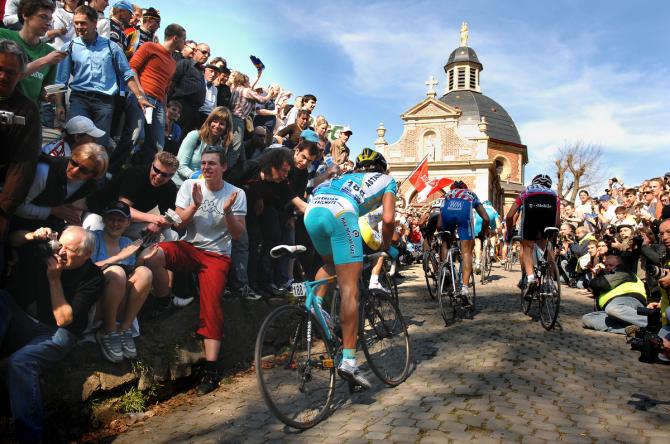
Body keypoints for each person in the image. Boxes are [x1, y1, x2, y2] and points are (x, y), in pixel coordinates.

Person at [144, 147, 246, 396]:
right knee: (152, 254)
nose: (206, 168)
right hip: (190, 247)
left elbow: (237, 234)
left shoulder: (236, 193)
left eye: (212, 163)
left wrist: (228, 211)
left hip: (217, 256)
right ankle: (164, 299)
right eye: (203, 163)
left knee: (211, 305)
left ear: (223, 167)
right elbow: (178, 223)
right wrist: (195, 206)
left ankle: (211, 369)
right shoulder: (190, 186)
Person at [304, 148, 396, 390]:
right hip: (341, 213)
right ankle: (349, 361)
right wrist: (386, 245)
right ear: (383, 169)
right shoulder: (388, 180)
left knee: (332, 264)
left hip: (313, 210)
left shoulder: (344, 176)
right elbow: (388, 220)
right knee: (349, 290)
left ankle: (317, 307)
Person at [1, 226, 104, 442]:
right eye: (61, 246)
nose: (62, 252)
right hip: (31, 324)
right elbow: (12, 238)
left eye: (70, 250)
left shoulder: (93, 277)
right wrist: (32, 235)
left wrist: (54, 280)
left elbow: (64, 320)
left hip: (61, 334)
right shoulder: (49, 254)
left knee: (19, 363)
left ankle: (31, 437)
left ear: (87, 254)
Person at [54, 5, 152, 148]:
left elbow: (127, 74)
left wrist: (140, 97)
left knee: (99, 145)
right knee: (76, 141)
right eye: (76, 23)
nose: (79, 27)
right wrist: (59, 105)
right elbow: (60, 80)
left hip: (104, 103)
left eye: (83, 23)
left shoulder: (112, 47)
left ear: (94, 23)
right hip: (79, 100)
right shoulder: (69, 47)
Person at [108, 22, 185, 173]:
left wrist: (163, 114)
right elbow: (132, 69)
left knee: (157, 144)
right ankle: (110, 172)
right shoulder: (149, 47)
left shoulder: (173, 62)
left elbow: (165, 90)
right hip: (142, 99)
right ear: (175, 38)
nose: (185, 43)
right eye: (184, 39)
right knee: (134, 135)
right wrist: (140, 94)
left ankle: (143, 176)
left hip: (156, 106)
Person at [90, 201, 156, 363]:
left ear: (127, 223)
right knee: (117, 271)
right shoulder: (93, 239)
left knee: (145, 272)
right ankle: (108, 330)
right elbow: (86, 271)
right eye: (111, 218)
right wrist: (118, 258)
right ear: (104, 219)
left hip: (119, 302)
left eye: (120, 220)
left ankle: (123, 329)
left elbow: (133, 276)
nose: (115, 223)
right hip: (96, 303)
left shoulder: (126, 243)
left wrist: (141, 259)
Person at [0, 38, 41, 273]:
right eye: (0, 69)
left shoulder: (27, 110)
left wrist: (4, 212)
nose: (4, 76)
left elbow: (22, 166)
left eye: (11, 72)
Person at [12, 142, 109, 233]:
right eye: (74, 162)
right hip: (18, 227)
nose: (74, 171)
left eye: (84, 170)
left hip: (49, 228)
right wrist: (53, 211)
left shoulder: (90, 186)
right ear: (72, 156)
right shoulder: (44, 171)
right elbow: (14, 207)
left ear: (93, 175)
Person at [84, 151, 179, 240]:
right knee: (92, 237)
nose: (158, 177)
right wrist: (155, 219)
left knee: (171, 235)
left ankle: (142, 256)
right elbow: (122, 210)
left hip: (128, 223)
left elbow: (170, 218)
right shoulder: (135, 174)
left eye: (165, 175)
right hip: (102, 216)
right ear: (152, 165)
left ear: (172, 175)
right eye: (156, 170)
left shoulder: (170, 188)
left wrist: (159, 224)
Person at [0, 0, 64, 103]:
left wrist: (49, 96)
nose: (48, 23)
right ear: (25, 15)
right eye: (43, 17)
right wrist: (45, 60)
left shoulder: (50, 52)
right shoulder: (3, 36)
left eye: (50, 19)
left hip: (29, 114)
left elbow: (44, 90)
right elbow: (11, 75)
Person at [505, 174, 560, 293]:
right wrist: (553, 234)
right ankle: (551, 281)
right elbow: (557, 220)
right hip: (548, 215)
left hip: (531, 214)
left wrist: (510, 232)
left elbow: (509, 215)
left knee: (527, 247)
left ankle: (529, 278)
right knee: (546, 245)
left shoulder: (526, 191)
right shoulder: (555, 195)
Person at [438, 180, 489, 305]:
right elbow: (486, 218)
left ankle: (446, 269)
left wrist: (447, 236)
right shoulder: (471, 194)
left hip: (447, 214)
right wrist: (483, 232)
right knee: (466, 253)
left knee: (445, 243)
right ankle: (465, 289)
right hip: (464, 213)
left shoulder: (448, 194)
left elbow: (439, 224)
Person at [582, 254, 648, 334]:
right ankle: (634, 330)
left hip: (628, 300)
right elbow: (593, 288)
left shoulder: (624, 271)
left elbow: (600, 283)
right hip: (614, 311)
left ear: (620, 265)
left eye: (611, 265)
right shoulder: (608, 275)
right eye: (606, 265)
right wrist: (597, 274)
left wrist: (598, 277)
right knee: (587, 319)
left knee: (613, 309)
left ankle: (650, 323)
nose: (608, 267)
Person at [174, 106, 233, 186]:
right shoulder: (194, 136)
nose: (217, 125)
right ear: (209, 121)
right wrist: (198, 177)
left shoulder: (221, 147)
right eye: (215, 121)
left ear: (227, 128)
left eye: (222, 124)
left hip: (201, 188)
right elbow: (180, 166)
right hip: (180, 185)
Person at [169, 42, 209, 135]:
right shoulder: (185, 63)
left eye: (208, 54)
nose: (206, 56)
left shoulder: (201, 71)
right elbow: (172, 82)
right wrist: (169, 103)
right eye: (204, 52)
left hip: (194, 112)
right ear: (195, 51)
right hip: (180, 106)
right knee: (172, 135)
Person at [473, 199, 501, 273]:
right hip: (491, 216)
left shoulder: (479, 208)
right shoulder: (493, 210)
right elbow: (499, 226)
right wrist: (497, 231)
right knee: (494, 232)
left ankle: (478, 262)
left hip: (480, 215)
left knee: (477, 240)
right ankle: (492, 250)